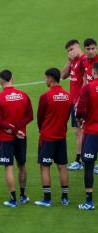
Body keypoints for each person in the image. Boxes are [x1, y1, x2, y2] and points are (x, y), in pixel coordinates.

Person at [0, 70, 33, 207]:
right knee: (21, 165)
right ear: (12, 78)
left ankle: (13, 199)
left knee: (8, 167)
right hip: (21, 136)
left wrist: (14, 130)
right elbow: (30, 116)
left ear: (0, 80)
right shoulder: (23, 95)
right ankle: (23, 196)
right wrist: (19, 129)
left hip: (6, 137)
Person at [34, 68, 71, 207]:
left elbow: (40, 117)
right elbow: (67, 115)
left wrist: (42, 128)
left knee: (45, 166)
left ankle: (47, 199)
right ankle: (65, 198)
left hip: (48, 137)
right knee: (62, 166)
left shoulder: (46, 96)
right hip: (61, 136)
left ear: (50, 78)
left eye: (46, 78)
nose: (45, 80)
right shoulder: (68, 96)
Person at [76, 62, 98, 210]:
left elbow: (80, 109)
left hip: (92, 132)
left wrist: (80, 119)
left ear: (94, 72)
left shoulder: (88, 87)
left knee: (89, 166)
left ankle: (89, 202)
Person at [61, 39, 85, 171]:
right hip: (74, 102)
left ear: (78, 47)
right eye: (69, 50)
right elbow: (62, 75)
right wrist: (69, 61)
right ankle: (82, 159)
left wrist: (80, 102)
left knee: (82, 132)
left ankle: (80, 160)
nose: (71, 52)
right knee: (78, 132)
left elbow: (88, 81)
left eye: (72, 49)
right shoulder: (74, 61)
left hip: (80, 103)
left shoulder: (83, 60)